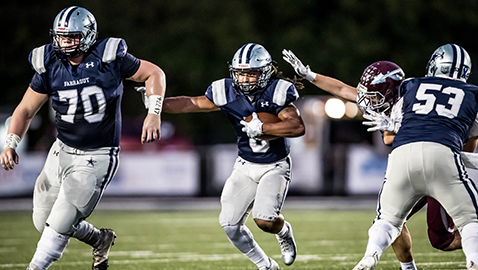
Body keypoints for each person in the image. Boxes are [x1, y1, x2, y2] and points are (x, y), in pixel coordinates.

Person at [0, 6, 166, 270]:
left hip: (97, 155)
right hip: (61, 149)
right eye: (61, 36)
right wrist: (10, 142)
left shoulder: (109, 57)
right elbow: (26, 109)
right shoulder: (50, 63)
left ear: (88, 36)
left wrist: (153, 113)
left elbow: (154, 73)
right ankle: (99, 238)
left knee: (61, 221)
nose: (64, 42)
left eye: (72, 37)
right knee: (42, 220)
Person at [282, 49, 465, 270]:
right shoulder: (381, 99)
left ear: (391, 91)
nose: (369, 101)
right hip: (410, 169)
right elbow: (341, 89)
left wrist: (396, 126)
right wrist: (309, 75)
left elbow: (394, 137)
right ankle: (408, 268)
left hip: (438, 170)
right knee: (390, 222)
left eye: (374, 96)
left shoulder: (414, 101)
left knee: (442, 241)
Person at [161, 43, 304, 270]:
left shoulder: (277, 91)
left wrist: (264, 130)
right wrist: (157, 104)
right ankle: (266, 265)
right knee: (228, 224)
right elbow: (191, 103)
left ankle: (284, 231)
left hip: (275, 165)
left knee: (265, 221)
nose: (245, 80)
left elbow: (297, 127)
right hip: (245, 165)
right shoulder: (226, 91)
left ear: (265, 72)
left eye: (251, 74)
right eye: (241, 74)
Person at [347, 43, 478, 270]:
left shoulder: (411, 85)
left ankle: (371, 254)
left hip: (402, 154)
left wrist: (392, 125)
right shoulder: (473, 94)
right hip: (443, 155)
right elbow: (468, 143)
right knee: (471, 222)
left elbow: (397, 122)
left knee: (386, 220)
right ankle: (474, 260)